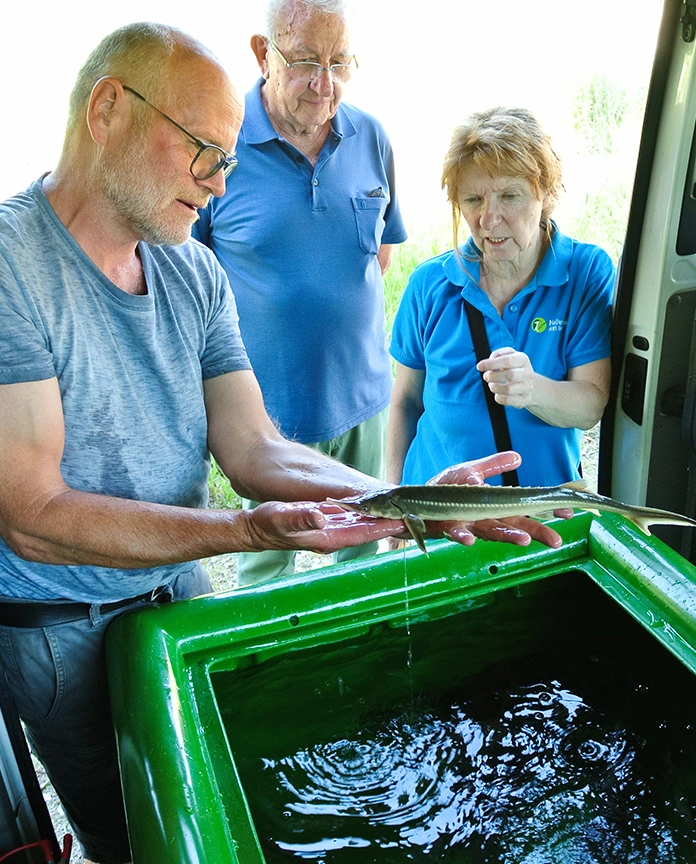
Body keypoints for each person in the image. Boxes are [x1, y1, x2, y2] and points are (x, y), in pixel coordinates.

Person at [0, 28, 561, 864]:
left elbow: (255, 446)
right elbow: (33, 517)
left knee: (205, 798)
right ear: (109, 109)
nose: (219, 183)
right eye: (201, 151)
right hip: (61, 625)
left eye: (226, 159)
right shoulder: (15, 266)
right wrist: (242, 533)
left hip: (175, 589)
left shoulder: (192, 272)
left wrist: (406, 506)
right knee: (134, 831)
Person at [193, 0, 408, 585]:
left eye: (340, 62)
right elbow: (182, 278)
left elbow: (381, 253)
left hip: (363, 396)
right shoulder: (219, 142)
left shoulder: (373, 137)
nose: (325, 83)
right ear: (263, 54)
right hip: (264, 412)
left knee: (367, 551)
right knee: (269, 562)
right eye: (306, 60)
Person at [388, 107, 615, 489]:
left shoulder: (584, 272)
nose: (489, 219)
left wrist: (533, 389)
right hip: (441, 510)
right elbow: (405, 403)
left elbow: (591, 405)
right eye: (474, 199)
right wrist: (396, 503)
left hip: (539, 512)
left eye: (510, 196)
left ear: (547, 195)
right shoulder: (430, 283)